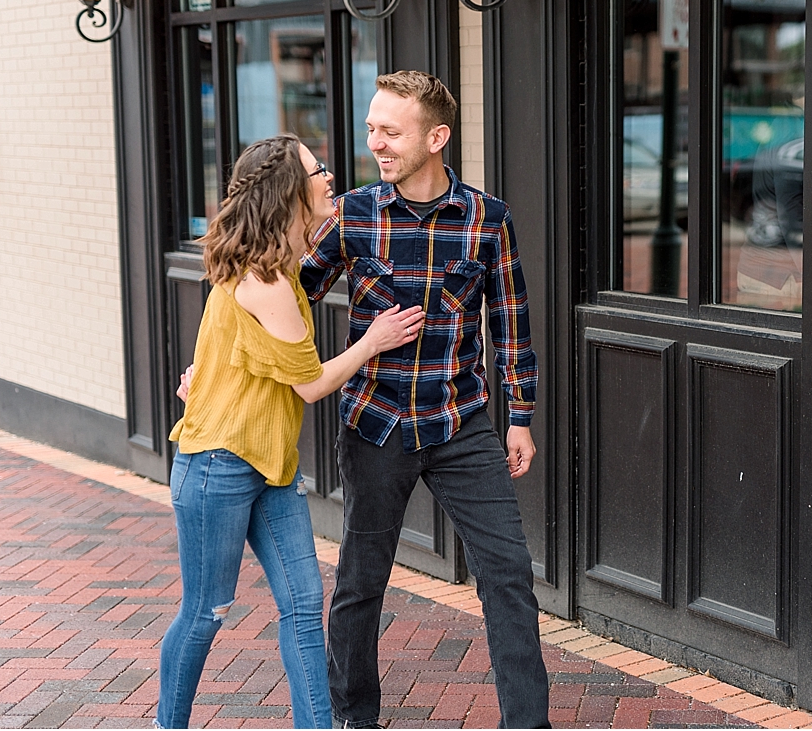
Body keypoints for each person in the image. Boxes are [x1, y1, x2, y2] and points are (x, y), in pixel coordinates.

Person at [300, 70, 550, 728]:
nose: (375, 141)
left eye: (391, 130)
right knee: (359, 584)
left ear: (436, 137)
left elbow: (513, 325)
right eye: (371, 128)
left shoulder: (487, 219)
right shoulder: (351, 214)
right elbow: (283, 296)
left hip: (459, 425)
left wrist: (519, 418)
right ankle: (354, 717)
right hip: (375, 425)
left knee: (509, 576)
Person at [159, 135, 425, 729]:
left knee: (304, 605)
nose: (329, 176)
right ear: (289, 191)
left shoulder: (275, 265)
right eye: (316, 170)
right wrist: (373, 341)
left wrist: (203, 381)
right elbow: (309, 384)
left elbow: (227, 349)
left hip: (271, 465)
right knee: (206, 611)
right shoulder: (267, 280)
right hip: (218, 465)